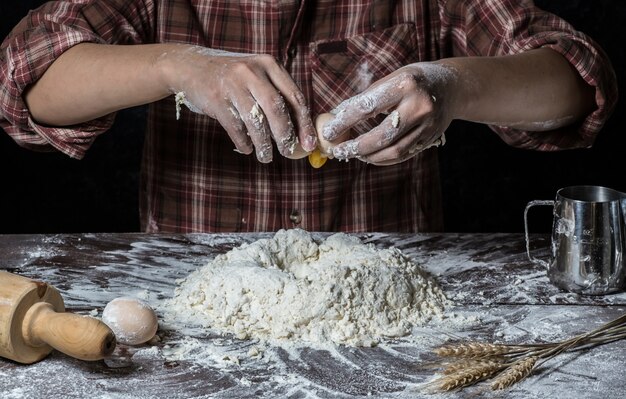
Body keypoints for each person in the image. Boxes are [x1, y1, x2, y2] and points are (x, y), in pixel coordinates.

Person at [0, 0, 617, 233]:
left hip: (386, 304)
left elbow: (577, 82)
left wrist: (453, 85)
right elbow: (25, 84)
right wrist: (175, 65)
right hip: (194, 305)